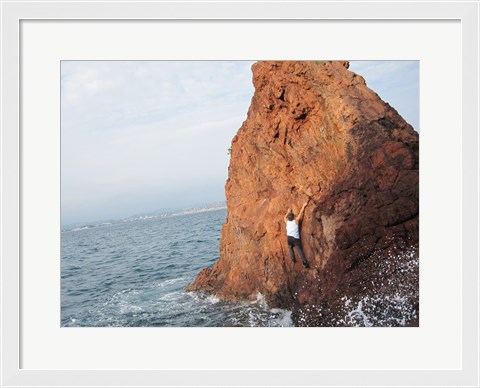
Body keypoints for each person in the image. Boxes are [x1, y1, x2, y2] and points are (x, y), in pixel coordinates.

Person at [284, 201, 309, 268]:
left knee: (290, 248)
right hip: (295, 239)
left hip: (289, 238)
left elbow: (284, 217)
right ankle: (304, 263)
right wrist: (303, 206)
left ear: (289, 218)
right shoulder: (295, 221)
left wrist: (288, 211)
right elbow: (300, 214)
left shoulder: (287, 222)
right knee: (300, 251)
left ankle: (293, 259)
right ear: (293, 217)